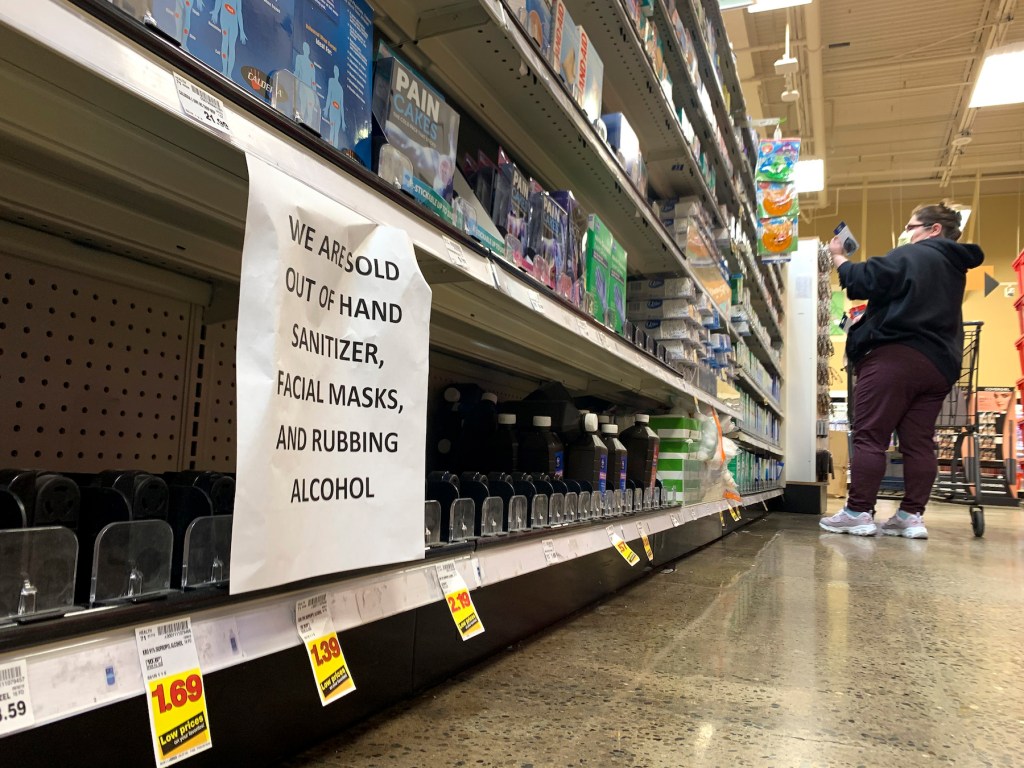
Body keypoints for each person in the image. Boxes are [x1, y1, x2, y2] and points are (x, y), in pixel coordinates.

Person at [819, 203, 984, 538]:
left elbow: (861, 280)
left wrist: (838, 255)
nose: (907, 233)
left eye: (912, 227)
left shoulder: (915, 255)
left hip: (895, 357)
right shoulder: (954, 268)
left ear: (934, 229)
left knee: (870, 435)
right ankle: (910, 516)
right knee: (919, 443)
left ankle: (858, 511)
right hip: (939, 365)